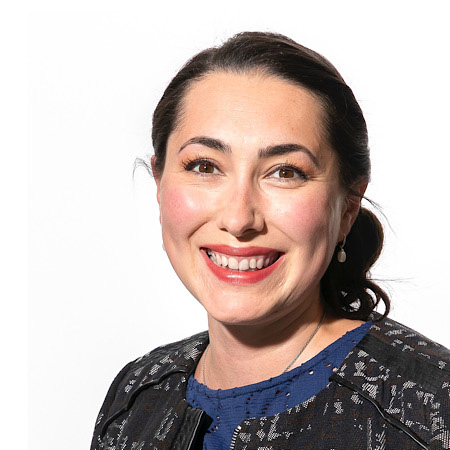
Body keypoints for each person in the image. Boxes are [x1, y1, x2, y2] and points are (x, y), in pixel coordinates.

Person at [90, 32, 450, 449]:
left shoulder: (432, 412)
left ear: (347, 206)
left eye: (285, 172)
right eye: (205, 166)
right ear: (159, 182)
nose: (239, 218)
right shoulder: (137, 396)